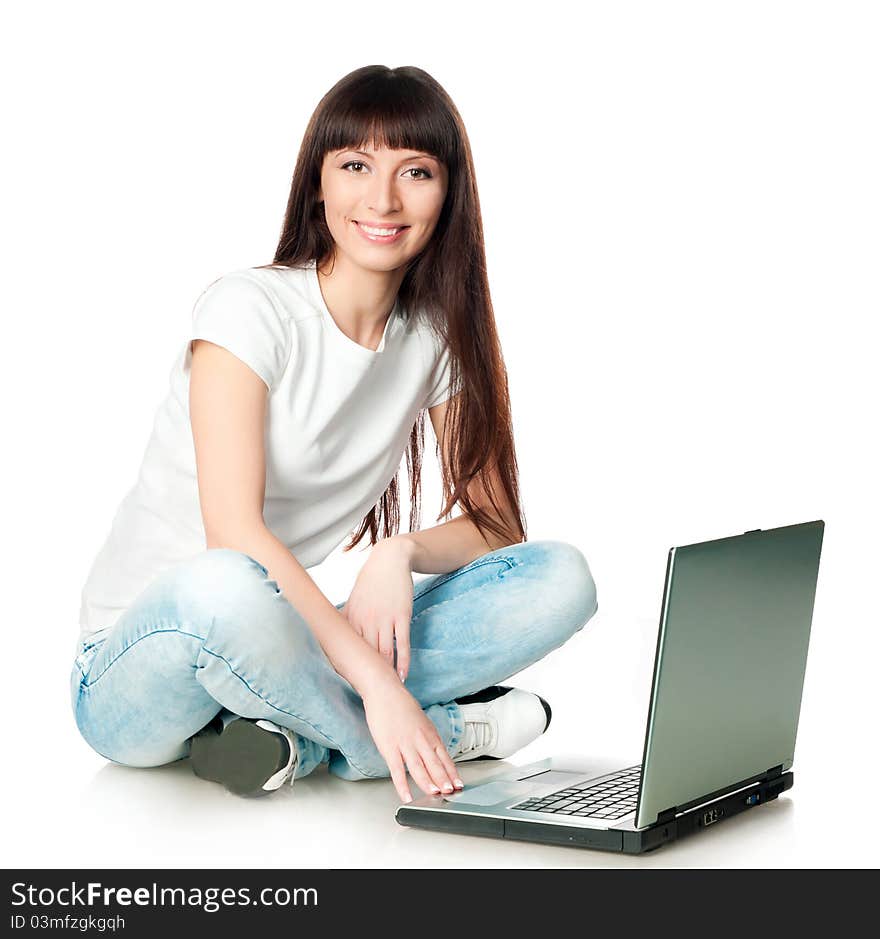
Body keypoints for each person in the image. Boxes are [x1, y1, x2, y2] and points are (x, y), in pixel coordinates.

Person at [70, 64, 599, 804]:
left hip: (286, 646)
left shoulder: (435, 339)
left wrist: (400, 550)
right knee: (229, 586)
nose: (382, 199)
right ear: (318, 185)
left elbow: (497, 522)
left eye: (415, 171)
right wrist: (379, 681)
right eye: (355, 166)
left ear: (448, 195)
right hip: (135, 668)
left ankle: (289, 736)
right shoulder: (247, 310)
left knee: (560, 577)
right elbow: (234, 532)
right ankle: (423, 735)